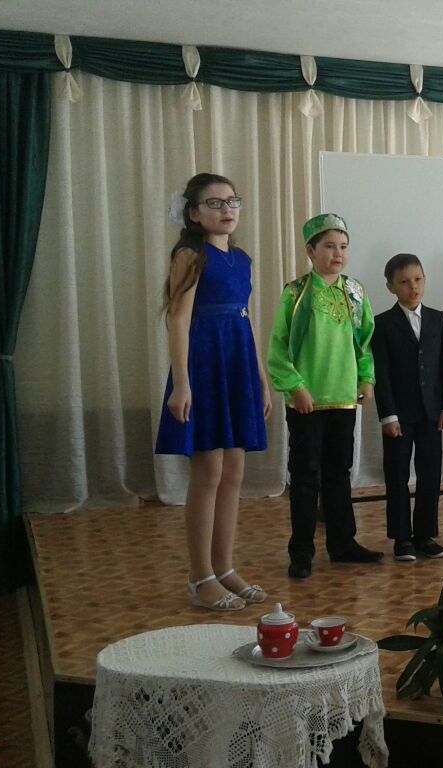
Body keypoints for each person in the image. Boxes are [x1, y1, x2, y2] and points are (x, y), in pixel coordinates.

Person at [155, 173, 270, 611]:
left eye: (232, 201)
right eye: (215, 203)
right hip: (204, 366)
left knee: (234, 471)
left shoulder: (241, 259)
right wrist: (182, 383)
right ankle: (199, 576)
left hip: (237, 364)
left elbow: (245, 317)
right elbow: (179, 319)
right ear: (193, 213)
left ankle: (224, 568)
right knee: (208, 473)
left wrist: (260, 378)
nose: (227, 210)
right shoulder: (190, 255)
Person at [266, 213, 382, 580]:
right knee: (305, 476)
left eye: (343, 246)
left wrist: (366, 379)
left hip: (343, 398)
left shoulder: (355, 293)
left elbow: (365, 341)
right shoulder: (296, 293)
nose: (338, 254)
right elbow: (278, 347)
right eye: (329, 246)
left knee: (338, 473)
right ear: (310, 251)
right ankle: (301, 551)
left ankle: (342, 543)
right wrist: (295, 387)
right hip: (307, 401)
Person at [372, 253, 443, 562]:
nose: (413, 287)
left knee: (430, 472)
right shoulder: (382, 324)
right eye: (404, 282)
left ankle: (425, 534)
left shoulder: (438, 319)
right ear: (391, 287)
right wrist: (388, 415)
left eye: (418, 279)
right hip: (399, 414)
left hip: (431, 412)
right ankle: (401, 537)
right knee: (396, 473)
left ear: (425, 280)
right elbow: (381, 373)